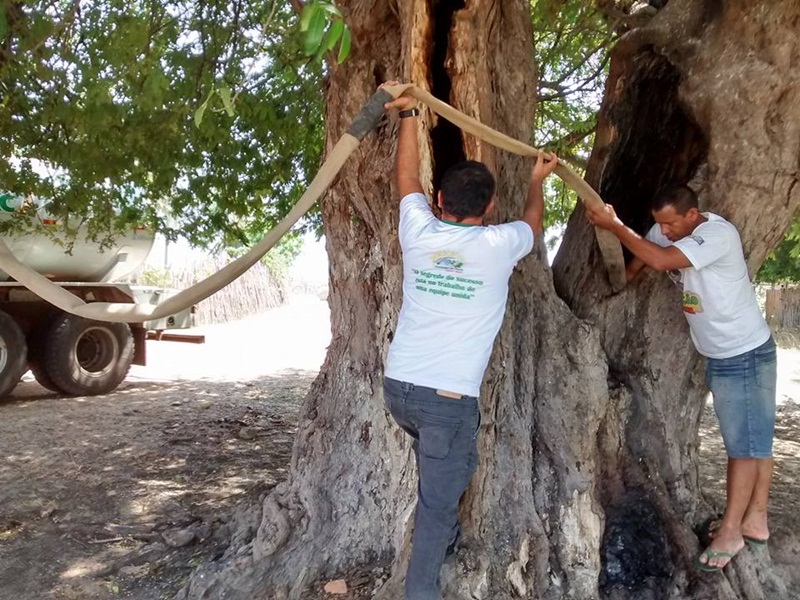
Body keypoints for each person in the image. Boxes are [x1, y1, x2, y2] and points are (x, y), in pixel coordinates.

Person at [380, 85, 558, 600]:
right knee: (437, 504)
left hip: (400, 390)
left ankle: (447, 524)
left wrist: (411, 114)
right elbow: (532, 223)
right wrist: (537, 181)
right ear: (490, 206)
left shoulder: (418, 230)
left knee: (448, 467)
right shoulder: (501, 244)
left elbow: (407, 179)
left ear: (439, 201)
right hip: (445, 402)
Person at [585, 185, 776, 572]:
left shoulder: (717, 235)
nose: (664, 231)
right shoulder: (666, 230)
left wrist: (615, 225)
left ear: (692, 216)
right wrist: (618, 279)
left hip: (744, 354)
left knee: (743, 447)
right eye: (660, 225)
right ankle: (756, 520)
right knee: (754, 438)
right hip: (724, 353)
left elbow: (657, 260)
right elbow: (642, 259)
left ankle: (731, 533)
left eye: (670, 224)